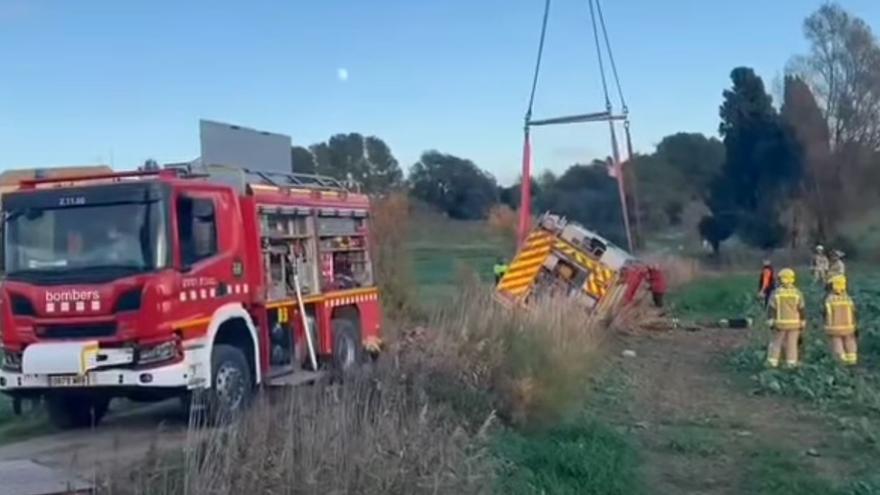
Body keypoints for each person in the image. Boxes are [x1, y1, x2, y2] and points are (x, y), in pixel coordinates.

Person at [766, 268, 806, 369]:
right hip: (794, 324)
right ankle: (791, 363)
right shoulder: (798, 293)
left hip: (780, 323)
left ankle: (772, 362)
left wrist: (770, 320)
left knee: (776, 343)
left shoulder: (776, 293)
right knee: (792, 344)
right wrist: (803, 321)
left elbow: (771, 308)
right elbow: (801, 308)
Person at [824, 275, 858, 366]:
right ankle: (852, 359)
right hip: (849, 326)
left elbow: (827, 312)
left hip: (835, 327)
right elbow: (853, 311)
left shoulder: (829, 299)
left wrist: (827, 325)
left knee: (837, 342)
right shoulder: (848, 299)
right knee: (850, 341)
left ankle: (841, 360)